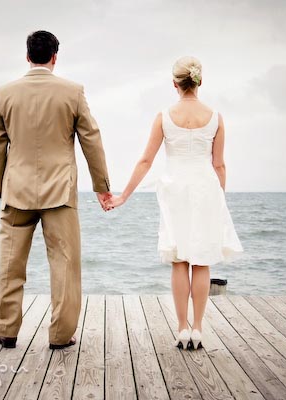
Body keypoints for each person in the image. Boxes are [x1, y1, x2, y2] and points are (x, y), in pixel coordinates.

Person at [105, 56, 243, 350]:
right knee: (202, 259)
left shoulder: (164, 117)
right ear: (200, 81)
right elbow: (219, 165)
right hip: (206, 189)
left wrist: (124, 196)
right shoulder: (216, 117)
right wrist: (221, 197)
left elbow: (146, 160)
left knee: (179, 259)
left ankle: (181, 328)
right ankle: (198, 328)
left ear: (175, 84)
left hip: (175, 190)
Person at [0, 30, 112, 350]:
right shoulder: (73, 92)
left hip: (16, 190)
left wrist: (1, 183)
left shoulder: (5, 93)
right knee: (65, 266)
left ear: (27, 56)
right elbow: (91, 138)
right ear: (55, 57)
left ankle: (6, 329)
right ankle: (60, 334)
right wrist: (102, 187)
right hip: (60, 190)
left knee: (11, 263)